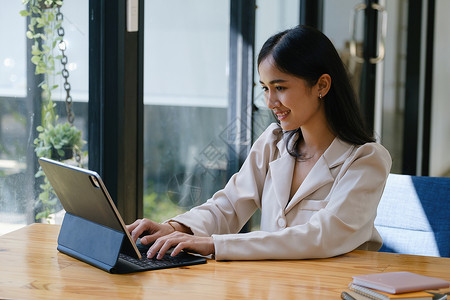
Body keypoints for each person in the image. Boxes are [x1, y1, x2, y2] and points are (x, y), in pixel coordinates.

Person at [127, 25, 392, 261]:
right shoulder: (273, 143)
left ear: (321, 85)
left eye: (280, 87)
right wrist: (176, 229)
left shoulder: (366, 160)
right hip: (273, 287)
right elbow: (229, 206)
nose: (269, 102)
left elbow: (321, 236)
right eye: (265, 88)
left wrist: (215, 244)